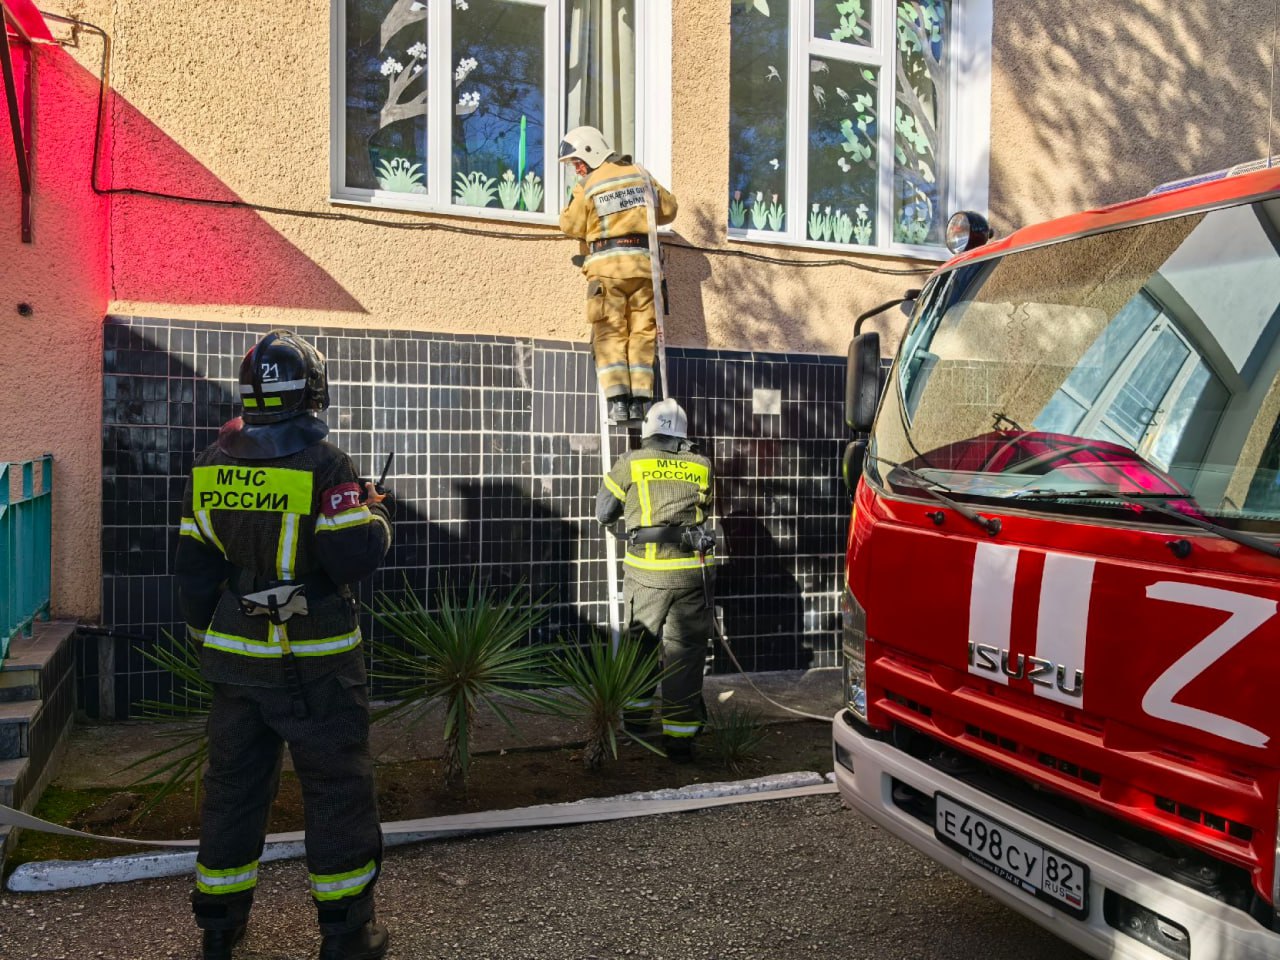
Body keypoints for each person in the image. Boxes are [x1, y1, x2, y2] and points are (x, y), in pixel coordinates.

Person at [175, 330, 393, 960]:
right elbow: (351, 559)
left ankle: (220, 928)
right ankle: (347, 936)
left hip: (235, 660)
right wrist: (376, 517)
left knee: (232, 791)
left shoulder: (210, 464)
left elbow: (195, 569)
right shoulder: (326, 464)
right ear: (312, 392)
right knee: (337, 790)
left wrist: (209, 642)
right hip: (317, 661)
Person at [595, 398, 716, 761]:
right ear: (682, 434)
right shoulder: (702, 465)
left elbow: (603, 513)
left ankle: (635, 721)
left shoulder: (631, 462)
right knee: (685, 654)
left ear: (648, 430)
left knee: (640, 645)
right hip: (693, 575)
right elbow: (704, 510)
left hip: (647, 574)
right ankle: (680, 741)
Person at [559, 125, 678, 425]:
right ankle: (640, 401)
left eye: (577, 163)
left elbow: (570, 225)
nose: (577, 170)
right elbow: (669, 209)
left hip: (607, 272)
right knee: (643, 332)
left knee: (610, 331)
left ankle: (619, 402)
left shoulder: (589, 184)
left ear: (591, 153)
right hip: (644, 269)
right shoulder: (640, 174)